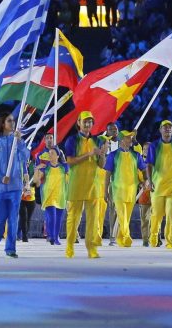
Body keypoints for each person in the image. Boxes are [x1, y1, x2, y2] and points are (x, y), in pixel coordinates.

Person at [0, 112, 29, 258]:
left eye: (13, 121)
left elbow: (25, 158)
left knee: (13, 218)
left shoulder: (16, 141)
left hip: (15, 187)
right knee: (0, 216)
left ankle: (11, 249)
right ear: (3, 124)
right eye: (10, 121)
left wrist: (21, 142)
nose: (13, 123)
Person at [63, 111, 106, 259]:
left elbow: (101, 165)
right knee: (73, 218)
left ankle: (92, 249)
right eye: (85, 121)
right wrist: (88, 154)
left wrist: (102, 155)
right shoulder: (72, 140)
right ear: (79, 123)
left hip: (93, 185)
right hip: (76, 184)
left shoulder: (98, 141)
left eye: (90, 122)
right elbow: (69, 161)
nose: (87, 124)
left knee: (93, 221)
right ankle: (69, 246)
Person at [145, 119, 172, 250]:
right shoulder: (154, 146)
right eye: (165, 127)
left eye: (170, 127)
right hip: (158, 186)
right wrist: (150, 181)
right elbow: (149, 164)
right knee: (156, 215)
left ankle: (170, 241)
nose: (167, 129)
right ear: (160, 130)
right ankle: (154, 239)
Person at [104, 130, 145, 247]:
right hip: (118, 191)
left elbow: (143, 169)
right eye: (128, 138)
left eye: (131, 138)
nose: (130, 139)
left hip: (132, 191)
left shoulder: (135, 155)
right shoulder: (113, 155)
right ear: (122, 140)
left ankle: (120, 239)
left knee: (126, 216)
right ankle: (127, 236)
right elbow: (107, 174)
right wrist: (105, 191)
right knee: (122, 214)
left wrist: (145, 180)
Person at [36, 131, 68, 245]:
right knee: (50, 214)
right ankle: (51, 234)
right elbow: (37, 173)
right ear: (44, 140)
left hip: (60, 190)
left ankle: (53, 235)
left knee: (56, 215)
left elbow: (66, 168)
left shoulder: (60, 153)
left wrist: (62, 157)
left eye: (51, 138)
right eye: (47, 137)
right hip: (46, 188)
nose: (49, 139)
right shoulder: (40, 155)